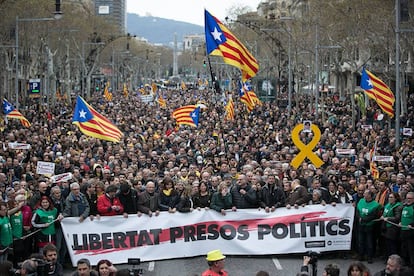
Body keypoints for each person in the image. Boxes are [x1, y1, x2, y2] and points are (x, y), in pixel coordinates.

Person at [356, 189, 382, 263]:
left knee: (369, 242)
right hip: (361, 225)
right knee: (361, 241)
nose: (363, 194)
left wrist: (363, 219)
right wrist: (359, 218)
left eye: (365, 193)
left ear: (369, 195)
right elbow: (357, 211)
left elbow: (374, 216)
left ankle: (369, 256)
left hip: (369, 226)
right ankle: (361, 255)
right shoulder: (361, 201)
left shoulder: (375, 205)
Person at [380, 192, 402, 259]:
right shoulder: (388, 204)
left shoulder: (398, 206)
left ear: (396, 198)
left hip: (392, 228)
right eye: (389, 197)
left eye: (391, 197)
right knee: (387, 244)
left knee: (392, 245)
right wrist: (382, 216)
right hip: (386, 227)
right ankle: (387, 257)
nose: (390, 198)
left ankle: (393, 259)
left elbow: (397, 217)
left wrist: (388, 218)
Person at [400, 191, 414, 269]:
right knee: (404, 247)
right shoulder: (404, 206)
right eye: (407, 198)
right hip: (403, 230)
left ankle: (412, 264)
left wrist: (412, 224)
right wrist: (400, 222)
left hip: (411, 231)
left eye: (410, 198)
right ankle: (405, 261)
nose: (408, 200)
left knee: (411, 248)